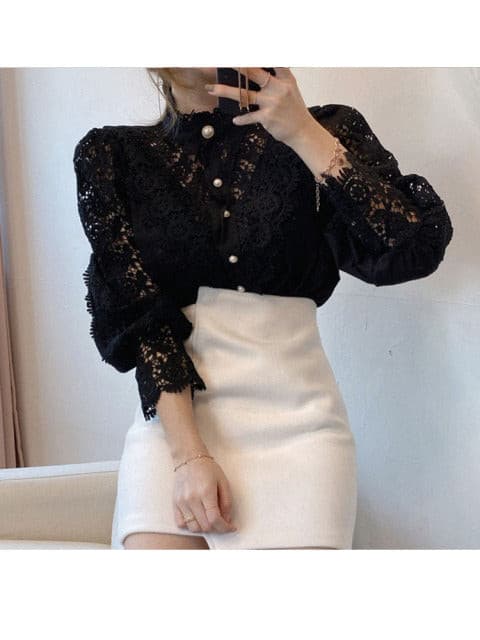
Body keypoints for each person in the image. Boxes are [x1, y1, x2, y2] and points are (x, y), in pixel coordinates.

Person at [73, 67, 453, 550]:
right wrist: (189, 456)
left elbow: (413, 248)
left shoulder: (325, 129)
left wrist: (304, 133)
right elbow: (141, 318)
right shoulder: (111, 155)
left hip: (301, 428)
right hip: (173, 435)